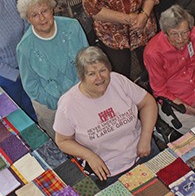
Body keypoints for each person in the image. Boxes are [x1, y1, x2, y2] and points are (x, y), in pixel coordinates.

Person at [54, 46, 158, 181]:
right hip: (108, 172)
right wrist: (89, 156)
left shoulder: (118, 81)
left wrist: (146, 137)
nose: (99, 78)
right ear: (81, 77)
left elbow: (148, 103)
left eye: (103, 70)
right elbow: (62, 141)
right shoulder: (68, 104)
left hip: (143, 152)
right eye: (91, 74)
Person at [16, 0, 88, 137]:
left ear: (52, 9)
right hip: (51, 106)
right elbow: (31, 85)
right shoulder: (24, 47)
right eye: (34, 15)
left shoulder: (73, 27)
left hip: (82, 94)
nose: (42, 18)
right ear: (28, 19)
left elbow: (87, 61)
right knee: (63, 141)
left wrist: (82, 93)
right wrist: (56, 102)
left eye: (44, 11)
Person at [144, 5, 195, 134]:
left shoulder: (193, 33)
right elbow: (160, 90)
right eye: (174, 34)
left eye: (184, 33)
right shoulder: (153, 53)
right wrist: (191, 110)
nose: (180, 39)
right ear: (165, 33)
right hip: (177, 101)